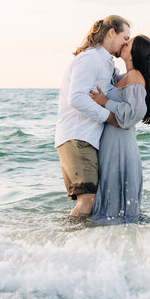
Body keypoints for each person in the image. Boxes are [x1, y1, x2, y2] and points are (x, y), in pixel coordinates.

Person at [55, 15, 130, 216]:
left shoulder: (106, 63)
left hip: (87, 138)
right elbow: (77, 98)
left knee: (92, 203)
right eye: (125, 38)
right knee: (88, 202)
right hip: (77, 136)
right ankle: (61, 244)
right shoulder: (89, 58)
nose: (126, 44)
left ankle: (77, 244)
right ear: (111, 32)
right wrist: (110, 117)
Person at [89, 35, 150, 224]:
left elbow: (133, 115)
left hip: (120, 145)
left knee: (115, 200)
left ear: (134, 53)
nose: (124, 44)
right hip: (112, 141)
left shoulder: (135, 76)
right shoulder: (123, 76)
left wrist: (106, 102)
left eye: (128, 43)